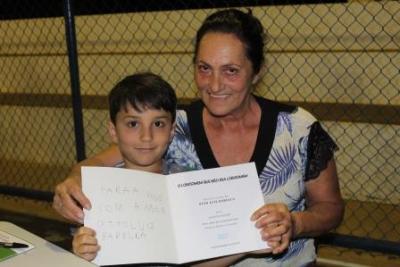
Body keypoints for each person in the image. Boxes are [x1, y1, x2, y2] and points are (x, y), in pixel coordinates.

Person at [54, 9, 344, 266]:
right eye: (204, 68)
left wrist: (295, 223)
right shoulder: (168, 127)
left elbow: (331, 209)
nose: (214, 85)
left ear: (257, 72)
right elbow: (94, 166)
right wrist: (70, 187)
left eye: (230, 70)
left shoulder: (298, 129)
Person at [72, 72, 178, 261]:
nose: (147, 136)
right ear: (113, 131)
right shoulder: (97, 192)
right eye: (133, 123)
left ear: (172, 131)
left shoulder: (187, 182)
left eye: (158, 123)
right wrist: (83, 252)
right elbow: (86, 248)